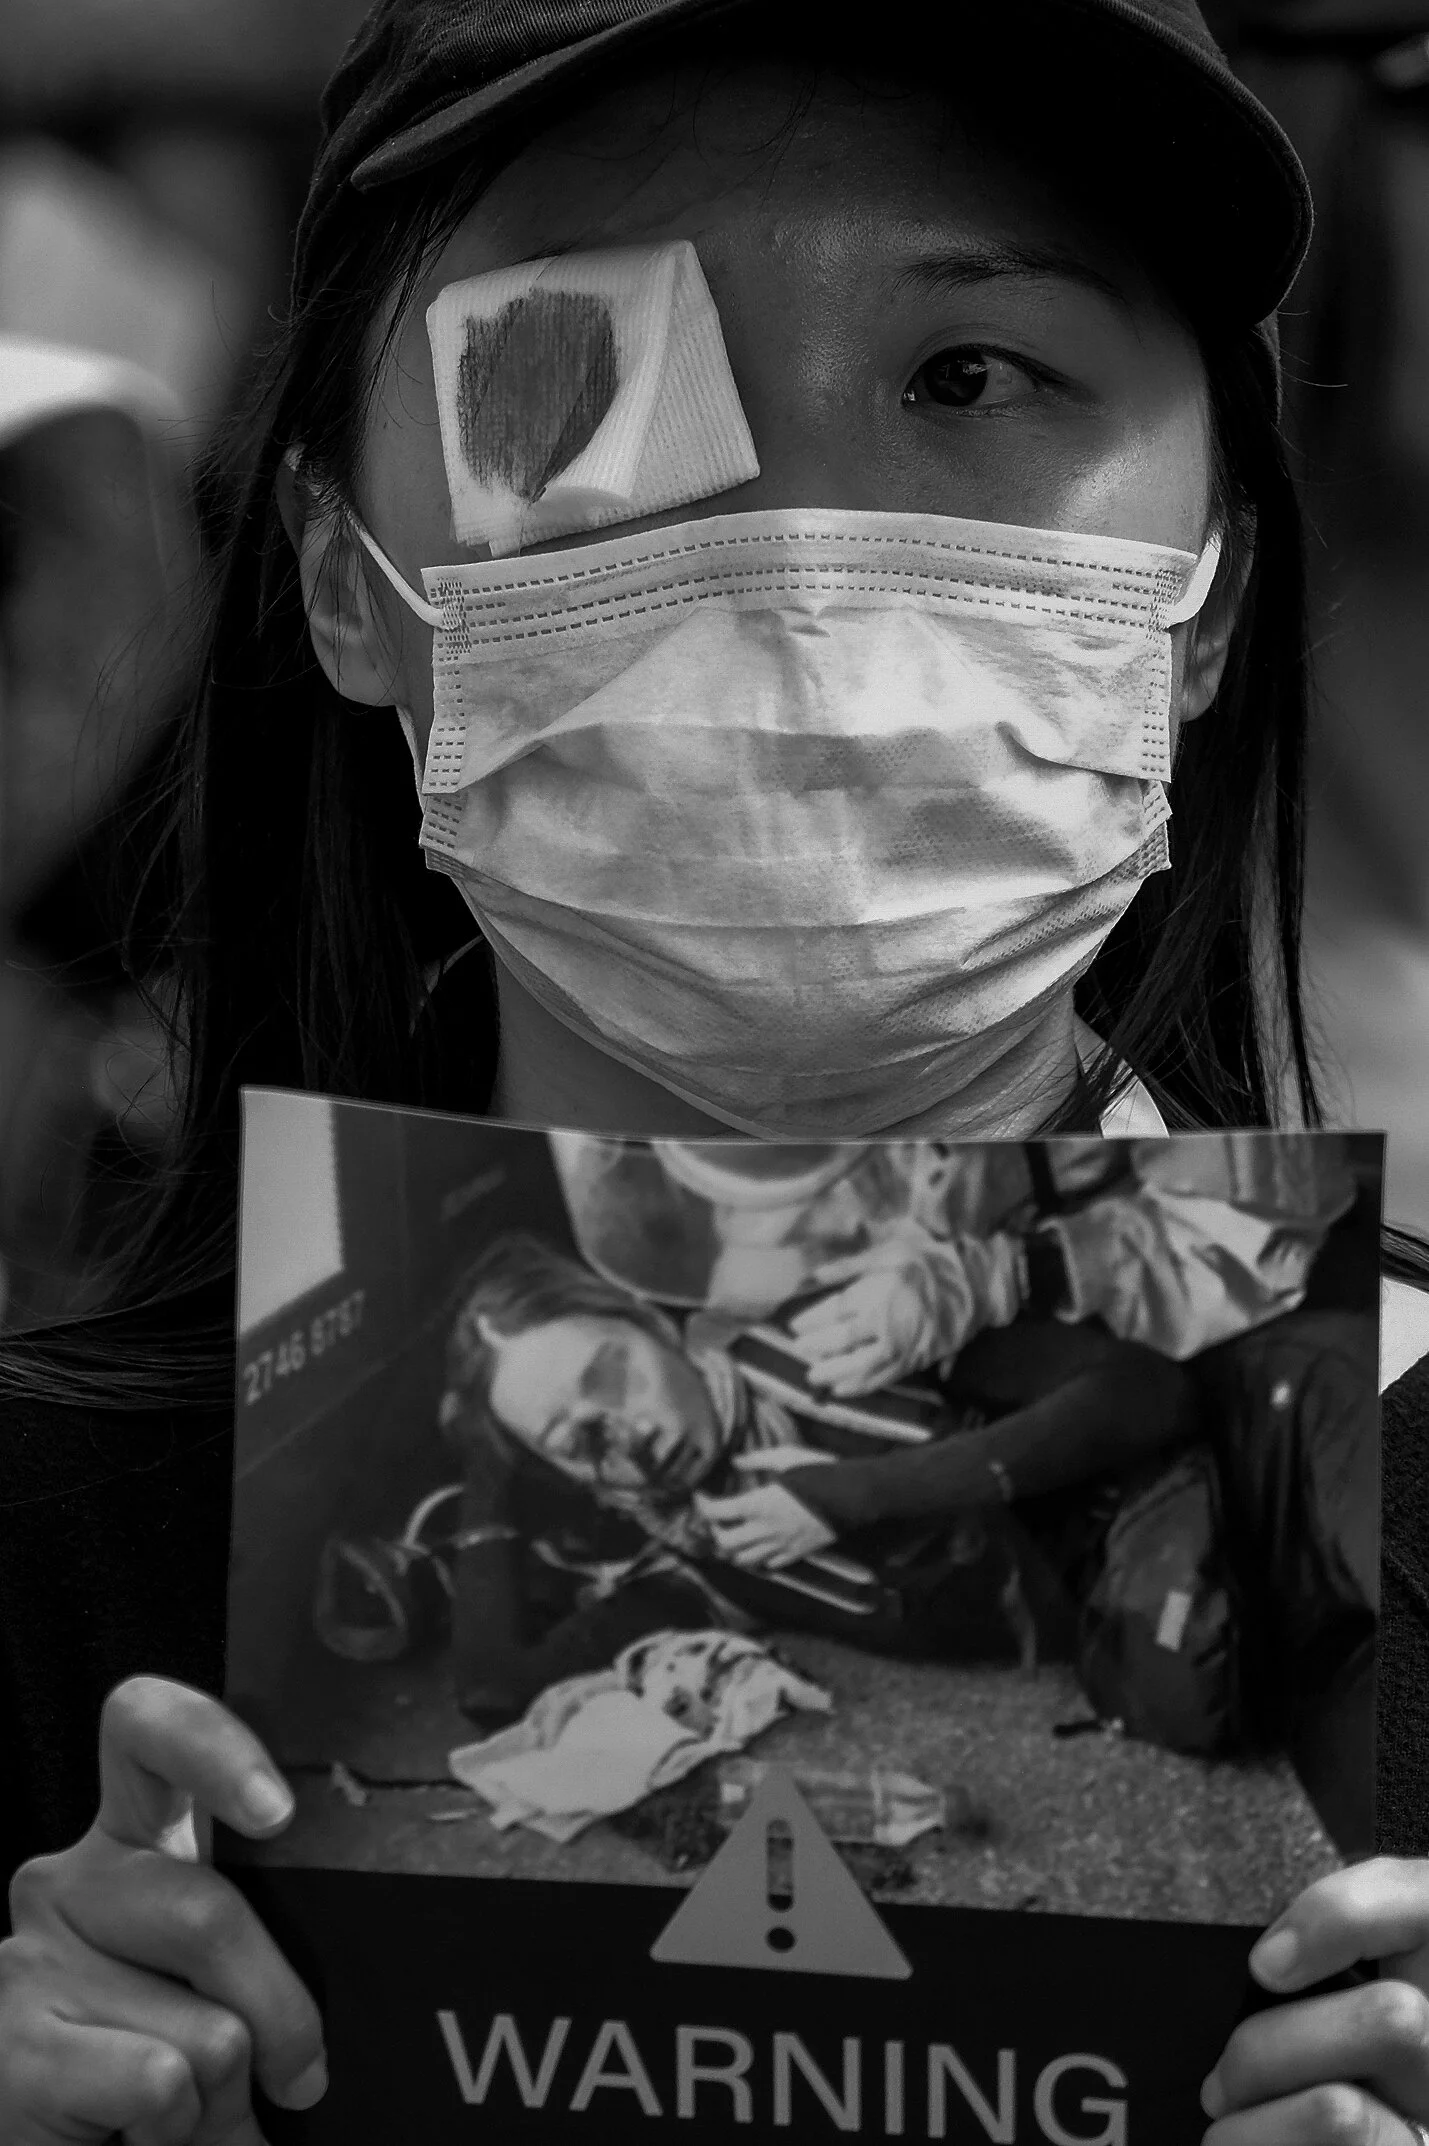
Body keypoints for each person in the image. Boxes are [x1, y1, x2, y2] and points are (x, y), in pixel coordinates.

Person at [4, 2, 1429, 2142]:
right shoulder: (44, 1554)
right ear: (341, 577)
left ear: (1206, 588)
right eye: (586, 389)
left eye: (970, 375)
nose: (798, 566)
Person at [432, 1230, 1199, 1721]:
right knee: (1181, 1690)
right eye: (581, 1439)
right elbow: (496, 1685)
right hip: (1138, 1636)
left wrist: (852, 1496)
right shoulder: (710, 1563)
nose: (631, 1436)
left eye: (615, 1373)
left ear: (652, 1323)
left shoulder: (831, 1336)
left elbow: (1146, 1390)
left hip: (1191, 1483)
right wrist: (496, 1453)